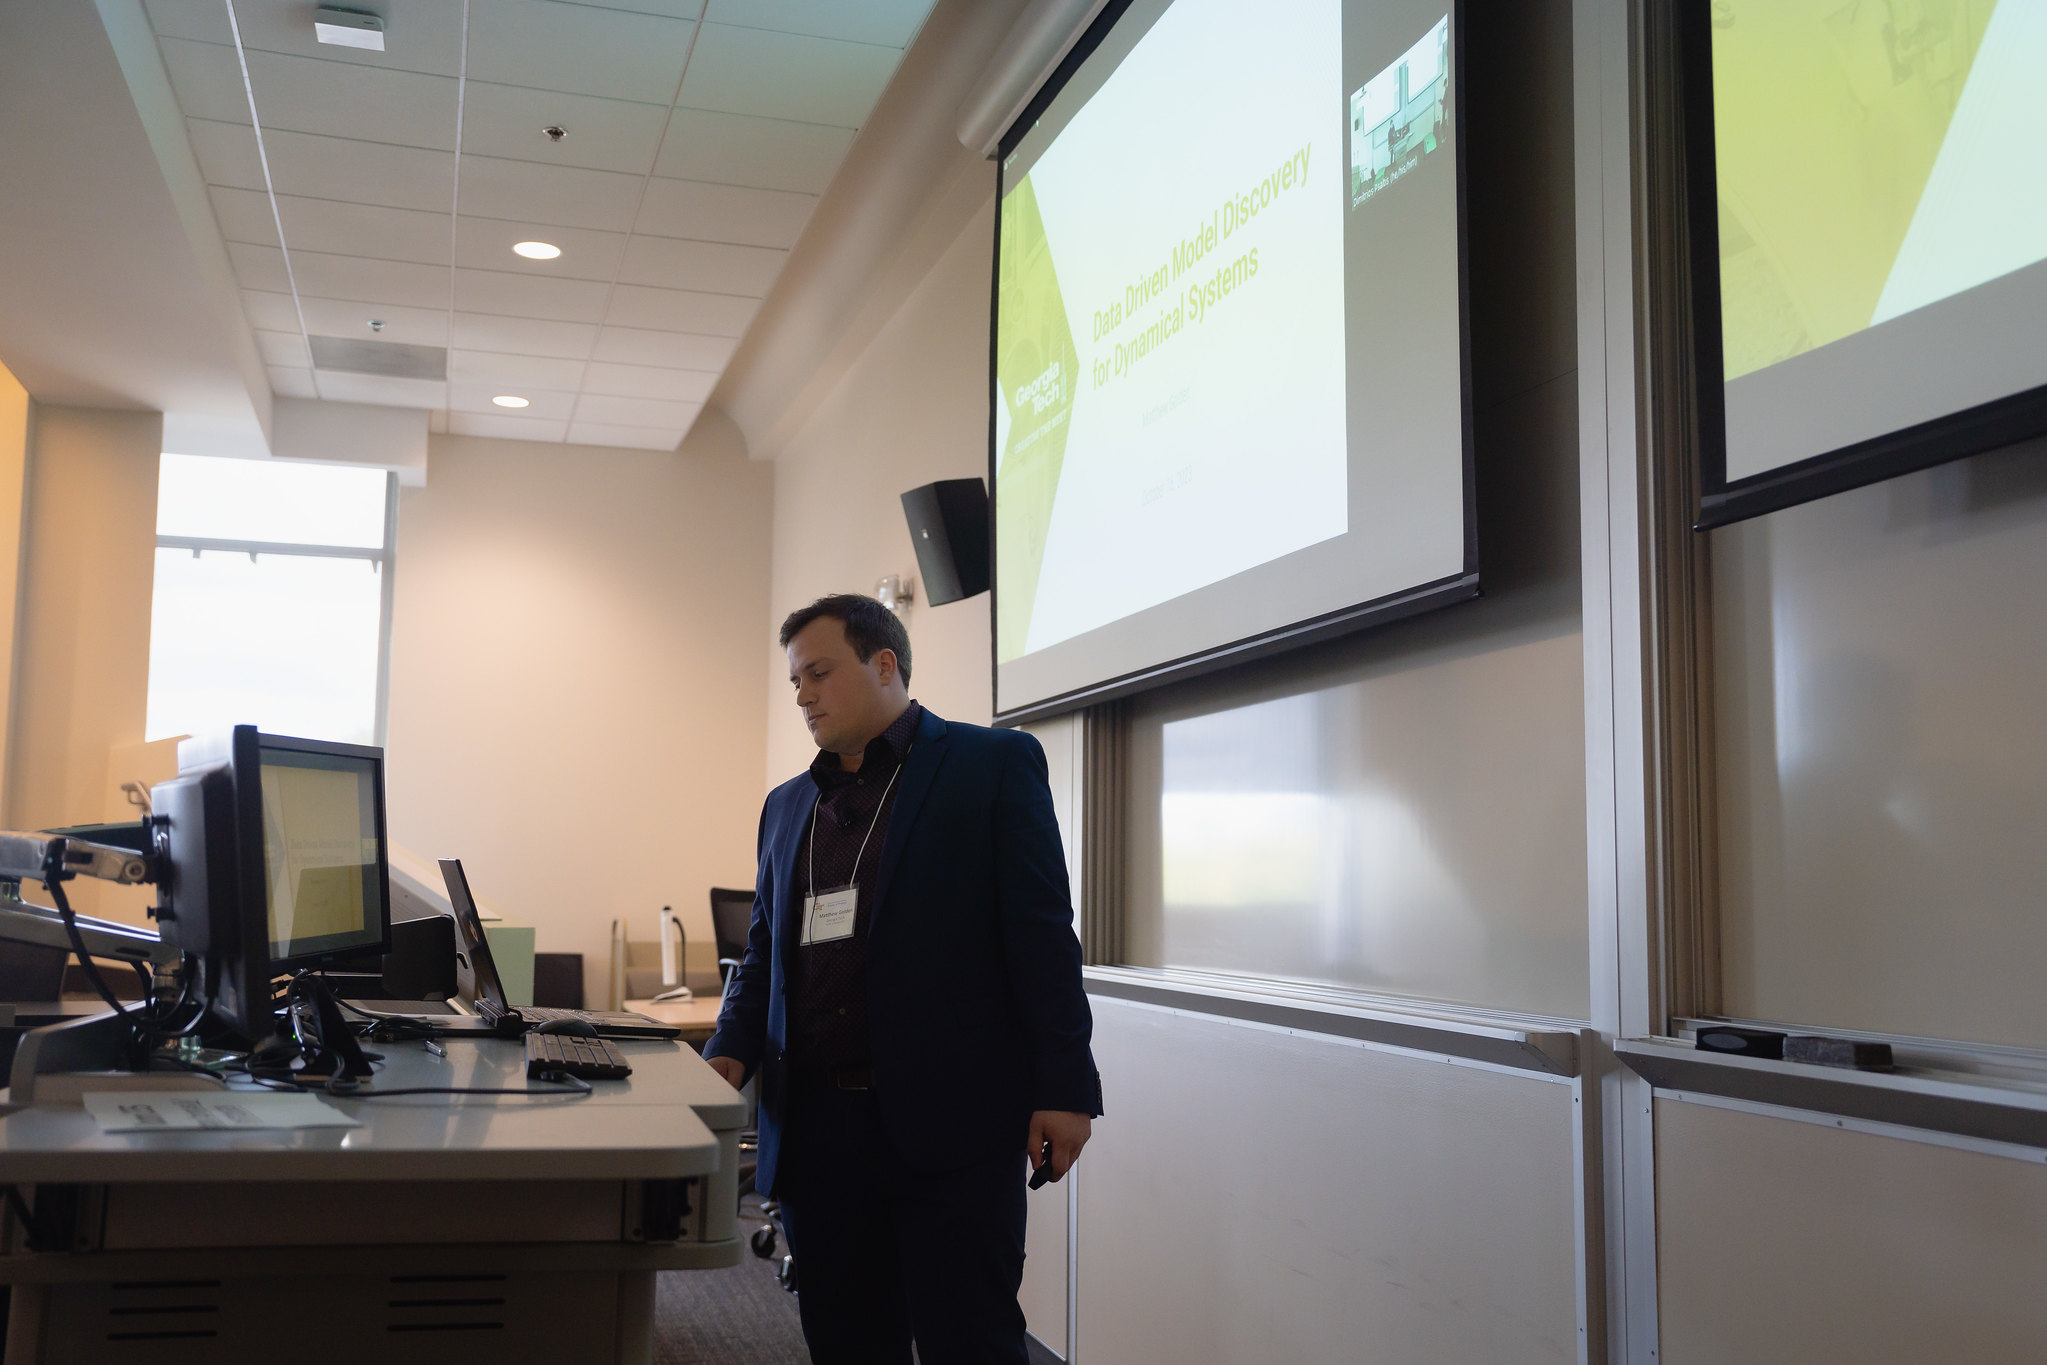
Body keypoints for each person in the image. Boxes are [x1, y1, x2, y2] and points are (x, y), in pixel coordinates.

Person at [704, 593, 1102, 1365]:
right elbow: (763, 956)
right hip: (818, 1132)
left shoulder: (990, 766)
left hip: (950, 1123)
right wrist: (729, 1048)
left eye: (818, 672)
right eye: (794, 680)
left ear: (884, 664)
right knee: (846, 1340)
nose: (802, 694)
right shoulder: (787, 807)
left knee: (971, 1338)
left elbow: (1042, 937)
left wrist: (1065, 1084)